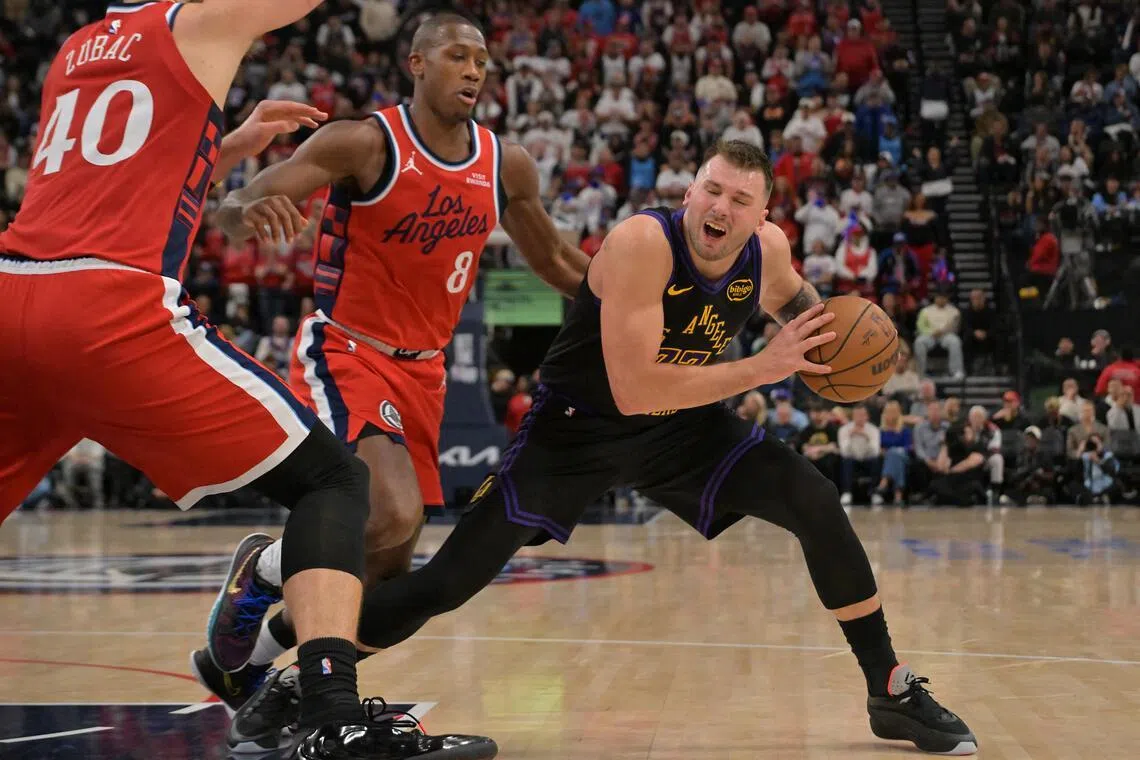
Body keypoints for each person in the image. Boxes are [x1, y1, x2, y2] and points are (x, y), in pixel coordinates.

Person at [232, 140, 976, 756]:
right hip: (577, 431)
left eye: (739, 200)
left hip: (685, 430)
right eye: (710, 191)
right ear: (691, 191)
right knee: (446, 584)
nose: (719, 208)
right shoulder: (640, 243)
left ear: (763, 214)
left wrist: (843, 352)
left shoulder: (769, 255)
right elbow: (633, 389)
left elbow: (807, 316)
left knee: (812, 498)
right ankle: (304, 679)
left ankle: (889, 687)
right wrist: (766, 367)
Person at [0, 2, 493, 759]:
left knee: (384, 527)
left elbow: (110, 180)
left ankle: (272, 627)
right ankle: (333, 716)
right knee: (335, 482)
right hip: (106, 309)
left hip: (16, 291)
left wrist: (225, 148)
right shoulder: (193, 24)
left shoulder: (75, 48)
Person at [196, 9, 590, 732]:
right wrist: (248, 214)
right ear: (416, 62)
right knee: (392, 514)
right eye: (458, 56)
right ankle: (286, 636)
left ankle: (261, 626)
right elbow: (233, 206)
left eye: (482, 61)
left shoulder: (506, 164)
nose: (474, 71)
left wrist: (638, 305)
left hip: (425, 372)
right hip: (348, 347)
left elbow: (561, 264)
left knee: (388, 562)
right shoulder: (363, 142)